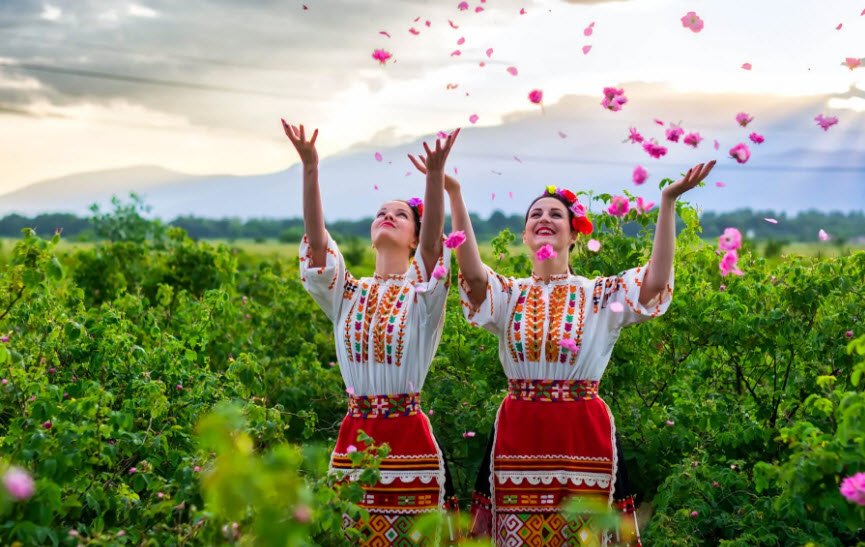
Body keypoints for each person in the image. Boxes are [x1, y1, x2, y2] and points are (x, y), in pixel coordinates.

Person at [409, 152, 714, 545]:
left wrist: (668, 201)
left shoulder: (599, 294)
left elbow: (654, 282)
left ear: (574, 234)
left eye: (556, 214)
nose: (544, 219)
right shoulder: (509, 294)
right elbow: (471, 273)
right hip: (519, 433)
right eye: (535, 214)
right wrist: (454, 192)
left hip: (582, 434)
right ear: (524, 235)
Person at [285, 120, 461, 545]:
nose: (387, 216)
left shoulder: (422, 294)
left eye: (401, 214)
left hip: (408, 442)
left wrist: (434, 177)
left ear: (415, 237)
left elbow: (436, 249)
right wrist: (311, 167)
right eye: (381, 212)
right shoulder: (347, 292)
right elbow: (318, 244)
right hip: (354, 441)